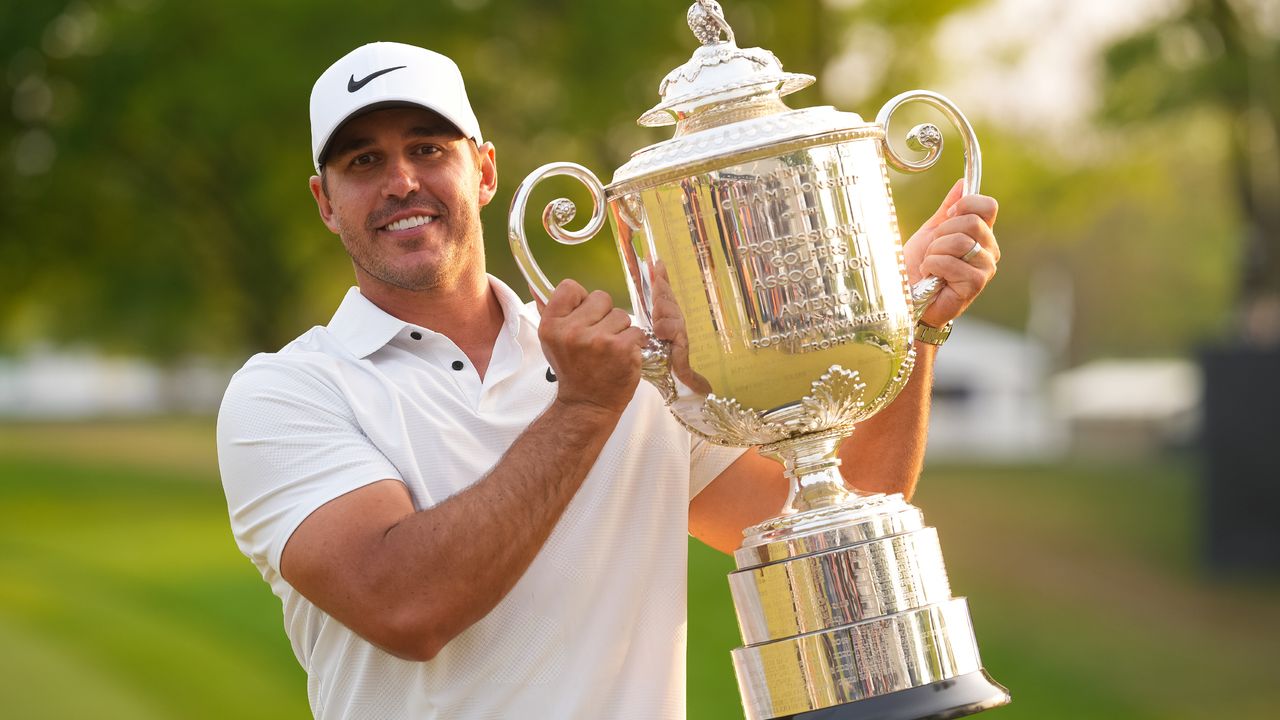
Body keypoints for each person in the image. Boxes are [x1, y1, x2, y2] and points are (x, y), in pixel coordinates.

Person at [216, 41, 1000, 720]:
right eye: (364, 162)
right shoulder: (287, 393)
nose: (400, 182)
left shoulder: (632, 362)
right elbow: (407, 606)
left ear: (483, 171)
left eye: (428, 149)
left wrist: (914, 324)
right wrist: (586, 405)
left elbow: (833, 512)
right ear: (325, 201)